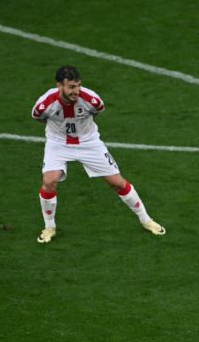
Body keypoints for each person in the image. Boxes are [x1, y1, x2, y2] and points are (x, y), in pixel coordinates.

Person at [31, 65, 165, 243]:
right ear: (59, 86)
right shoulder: (44, 104)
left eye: (78, 85)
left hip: (89, 143)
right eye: (71, 87)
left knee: (117, 182)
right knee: (49, 180)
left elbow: (98, 111)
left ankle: (146, 220)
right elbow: (38, 117)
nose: (76, 91)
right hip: (58, 144)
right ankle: (49, 227)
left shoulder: (91, 100)